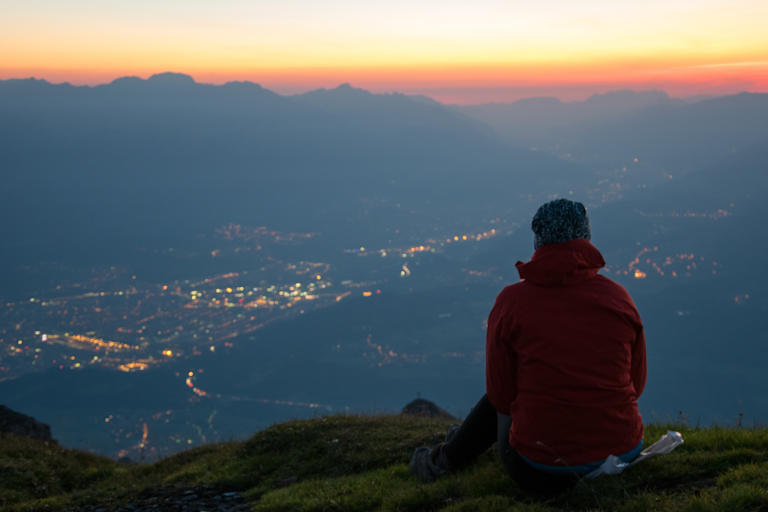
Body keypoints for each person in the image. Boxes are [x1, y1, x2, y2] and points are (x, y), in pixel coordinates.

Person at [410, 199, 646, 493]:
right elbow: (636, 383)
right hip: (623, 453)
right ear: (586, 237)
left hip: (541, 470)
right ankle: (454, 449)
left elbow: (500, 396)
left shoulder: (512, 303)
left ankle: (441, 462)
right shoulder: (619, 298)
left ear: (538, 241)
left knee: (501, 398)